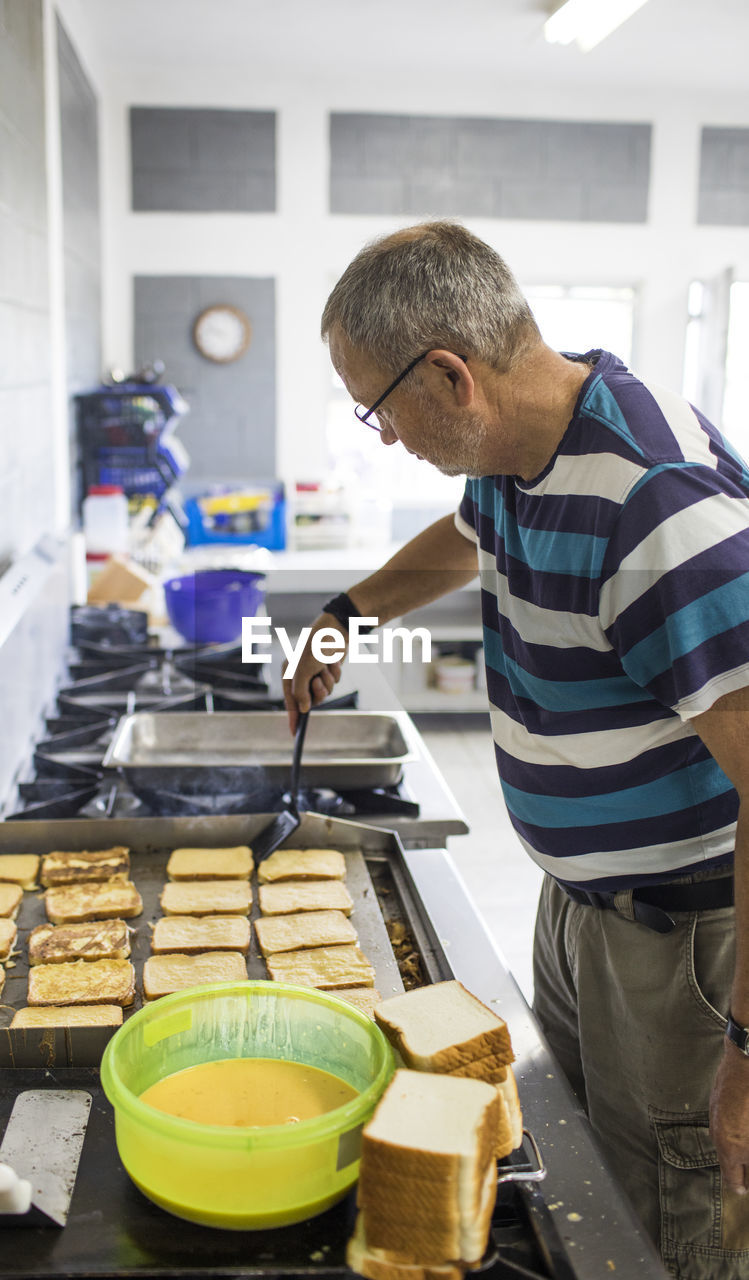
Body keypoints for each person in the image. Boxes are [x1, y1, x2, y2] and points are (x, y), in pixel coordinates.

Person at [282, 220, 749, 1280]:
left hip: (685, 943)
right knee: (588, 1172)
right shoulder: (520, 444)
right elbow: (469, 531)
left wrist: (747, 1054)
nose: (384, 437)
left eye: (379, 408)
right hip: (585, 907)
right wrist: (348, 611)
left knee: (668, 1215)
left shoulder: (656, 504)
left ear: (449, 374)